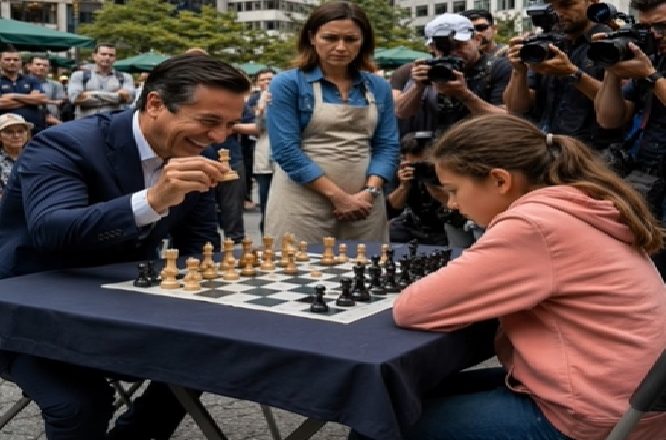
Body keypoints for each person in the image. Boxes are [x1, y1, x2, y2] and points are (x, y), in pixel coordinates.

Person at [358, 113, 666, 440]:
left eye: (454, 190)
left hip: (592, 411)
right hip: (632, 398)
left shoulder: (533, 225)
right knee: (397, 395)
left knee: (375, 422)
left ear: (500, 181)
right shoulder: (577, 205)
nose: (452, 204)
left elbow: (412, 309)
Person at [0, 54, 251, 440]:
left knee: (206, 356)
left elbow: (197, 246)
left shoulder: (193, 156)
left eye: (230, 124)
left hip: (118, 307)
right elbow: (52, 230)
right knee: (80, 403)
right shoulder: (63, 144)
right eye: (208, 121)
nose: (220, 137)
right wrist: (153, 200)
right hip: (29, 311)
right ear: (155, 104)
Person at [265, 1, 399, 243]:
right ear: (312, 38)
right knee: (300, 265)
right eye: (330, 38)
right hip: (302, 203)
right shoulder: (288, 84)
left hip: (365, 203)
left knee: (366, 264)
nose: (341, 47)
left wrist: (370, 191)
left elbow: (387, 145)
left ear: (363, 42)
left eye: (351, 39)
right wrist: (339, 197)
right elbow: (285, 150)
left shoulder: (378, 86)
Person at [593, 0, 666, 277]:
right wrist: (611, 67)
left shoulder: (650, 68)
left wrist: (651, 76)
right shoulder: (655, 59)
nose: (655, 36)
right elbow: (609, 118)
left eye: (662, 27)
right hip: (648, 185)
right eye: (645, 28)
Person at [503, 0, 621, 148]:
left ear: (592, 2)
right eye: (553, 7)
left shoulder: (613, 44)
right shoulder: (548, 42)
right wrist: (518, 71)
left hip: (588, 151)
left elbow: (620, 107)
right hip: (542, 146)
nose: (558, 13)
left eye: (567, 5)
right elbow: (516, 108)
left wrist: (572, 74)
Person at [395, 13, 510, 137]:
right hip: (439, 142)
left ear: (477, 40)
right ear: (432, 47)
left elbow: (508, 120)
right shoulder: (431, 68)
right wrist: (418, 87)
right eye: (443, 48)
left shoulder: (498, 67)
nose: (453, 53)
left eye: (458, 45)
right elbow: (401, 112)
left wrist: (464, 95)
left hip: (482, 141)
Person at [387, 132, 449, 245]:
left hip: (442, 225)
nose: (419, 169)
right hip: (413, 222)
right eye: (414, 166)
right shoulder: (402, 171)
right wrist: (404, 186)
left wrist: (430, 181)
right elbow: (393, 207)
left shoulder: (447, 170)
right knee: (384, 233)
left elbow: (453, 204)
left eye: (423, 165)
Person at [68, 43, 136, 119]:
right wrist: (116, 97)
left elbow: (130, 99)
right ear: (94, 56)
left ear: (115, 58)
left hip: (113, 122)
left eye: (111, 55)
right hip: (86, 122)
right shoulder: (79, 75)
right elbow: (74, 98)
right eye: (103, 54)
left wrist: (91, 95)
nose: (107, 57)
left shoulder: (125, 77)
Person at [0, 46, 47, 134]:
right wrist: (30, 100)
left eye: (16, 60)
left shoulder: (31, 79)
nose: (12, 62)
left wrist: (13, 96)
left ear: (21, 62)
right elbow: (1, 104)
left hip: (35, 129)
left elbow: (41, 99)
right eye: (7, 59)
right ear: (0, 61)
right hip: (6, 131)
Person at [26, 55, 67, 125]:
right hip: (28, 121)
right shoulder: (21, 83)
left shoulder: (56, 85)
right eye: (38, 64)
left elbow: (61, 102)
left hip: (53, 122)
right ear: (29, 66)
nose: (42, 67)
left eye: (45, 65)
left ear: (49, 68)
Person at [0, 113, 31, 197]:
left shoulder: (36, 157)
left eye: (20, 131)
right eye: (9, 132)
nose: (16, 136)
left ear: (27, 134)